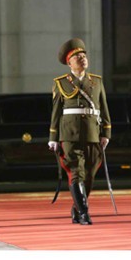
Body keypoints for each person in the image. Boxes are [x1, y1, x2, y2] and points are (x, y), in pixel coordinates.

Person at [48, 38, 111, 225]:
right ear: (69, 62)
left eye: (84, 56)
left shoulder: (97, 82)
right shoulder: (61, 83)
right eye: (78, 57)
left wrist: (106, 133)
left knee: (90, 174)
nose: (83, 59)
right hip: (69, 134)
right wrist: (53, 137)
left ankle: (77, 207)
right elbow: (56, 112)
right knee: (76, 172)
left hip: (92, 132)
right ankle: (84, 213)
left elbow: (104, 108)